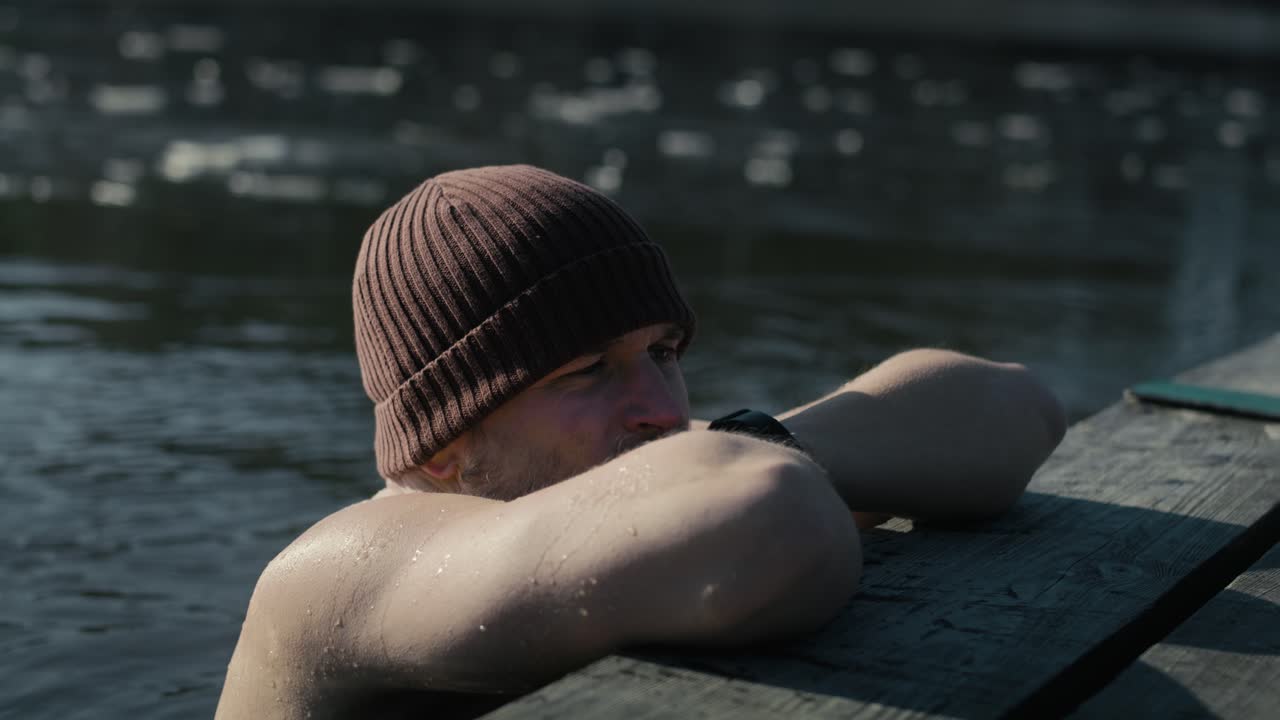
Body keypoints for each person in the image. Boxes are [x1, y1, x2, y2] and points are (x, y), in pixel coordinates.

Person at [215, 164, 1066, 720]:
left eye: (663, 352)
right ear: (443, 449)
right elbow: (775, 519)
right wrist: (751, 464)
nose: (661, 407)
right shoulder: (344, 570)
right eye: (586, 370)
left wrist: (755, 437)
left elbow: (1017, 407)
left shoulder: (628, 480)